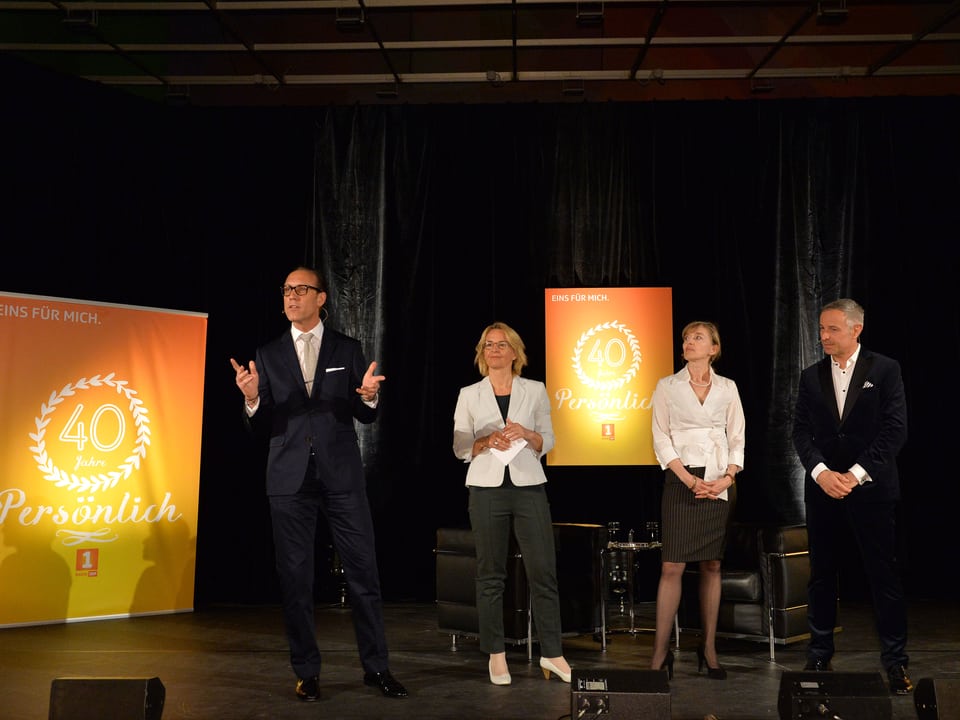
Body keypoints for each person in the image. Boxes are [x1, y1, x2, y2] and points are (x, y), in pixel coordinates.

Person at [229, 266, 407, 702]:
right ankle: (306, 671)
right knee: (295, 578)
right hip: (288, 478)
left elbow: (364, 414)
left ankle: (376, 667)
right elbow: (261, 424)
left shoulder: (346, 347)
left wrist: (368, 396)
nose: (291, 297)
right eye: (287, 290)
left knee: (363, 572)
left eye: (301, 290)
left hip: (340, 475)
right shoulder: (268, 353)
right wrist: (252, 398)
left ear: (321, 298)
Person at [792, 298, 911, 695]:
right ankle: (819, 653)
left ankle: (895, 662)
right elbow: (800, 433)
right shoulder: (810, 377)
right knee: (822, 576)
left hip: (872, 490)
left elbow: (894, 430)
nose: (823, 336)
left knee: (883, 577)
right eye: (821, 330)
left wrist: (855, 475)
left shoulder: (886, 369)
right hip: (823, 489)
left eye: (832, 329)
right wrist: (823, 473)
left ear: (856, 329)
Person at [452, 321, 571, 686]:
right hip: (486, 489)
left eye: (502, 344)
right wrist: (485, 441)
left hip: (528, 486)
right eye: (488, 345)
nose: (495, 350)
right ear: (481, 353)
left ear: (515, 352)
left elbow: (548, 440)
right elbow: (460, 448)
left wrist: (528, 434)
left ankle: (552, 653)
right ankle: (497, 655)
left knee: (543, 571)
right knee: (490, 573)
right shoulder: (469, 394)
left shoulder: (534, 390)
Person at [649, 321, 745, 681]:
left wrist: (727, 477)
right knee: (671, 566)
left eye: (697, 338)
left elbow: (737, 436)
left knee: (712, 566)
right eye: (686, 338)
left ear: (713, 348)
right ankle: (659, 654)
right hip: (681, 479)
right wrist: (690, 479)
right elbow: (660, 437)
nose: (689, 342)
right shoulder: (667, 386)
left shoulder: (727, 387)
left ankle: (708, 649)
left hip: (720, 480)